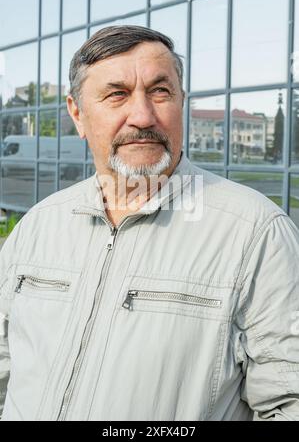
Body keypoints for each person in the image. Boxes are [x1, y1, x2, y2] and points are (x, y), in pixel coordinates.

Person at [0, 26, 299, 421]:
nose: (142, 115)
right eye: (117, 94)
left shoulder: (257, 233)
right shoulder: (38, 226)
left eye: (160, 91)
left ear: (181, 102)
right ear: (77, 113)